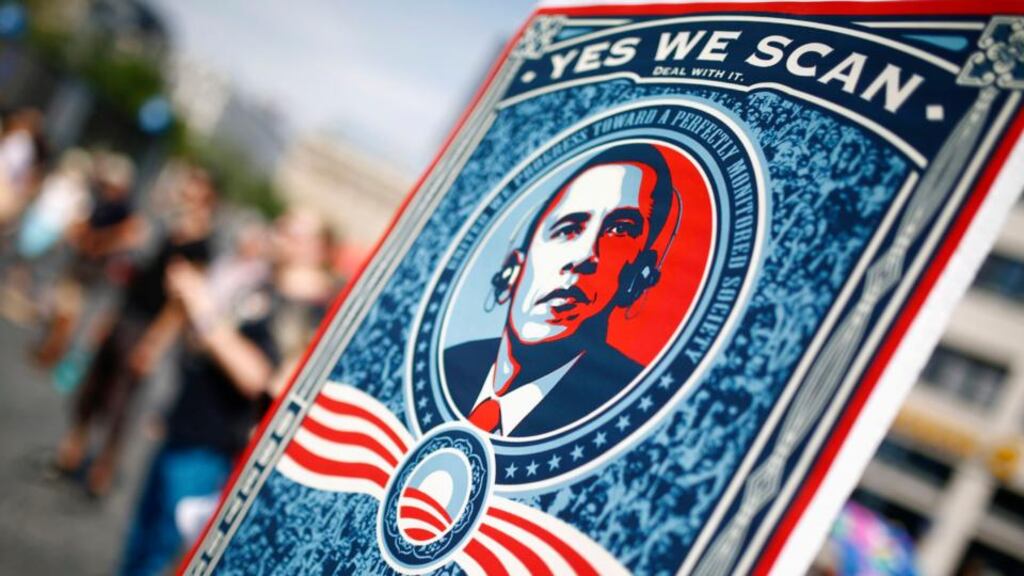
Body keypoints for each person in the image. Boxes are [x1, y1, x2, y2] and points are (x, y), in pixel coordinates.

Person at [118, 209, 336, 576]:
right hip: (187, 427)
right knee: (140, 547)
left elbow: (259, 378)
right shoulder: (263, 285)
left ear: (318, 249)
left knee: (164, 555)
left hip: (218, 450)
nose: (278, 233)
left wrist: (203, 306)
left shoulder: (313, 314)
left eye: (292, 232)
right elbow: (210, 346)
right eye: (280, 225)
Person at [445, 143, 677, 437]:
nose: (583, 256)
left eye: (619, 231)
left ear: (638, 278)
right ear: (513, 269)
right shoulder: (450, 364)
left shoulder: (639, 407)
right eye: (568, 228)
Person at [55, 166, 217, 496]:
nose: (184, 192)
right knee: (93, 388)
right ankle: (73, 452)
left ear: (207, 198)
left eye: (192, 188)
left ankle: (102, 470)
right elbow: (135, 275)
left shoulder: (200, 246)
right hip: (126, 314)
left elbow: (179, 306)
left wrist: (155, 343)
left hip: (146, 326)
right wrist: (108, 317)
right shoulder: (165, 227)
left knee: (121, 403)